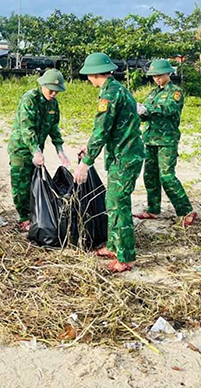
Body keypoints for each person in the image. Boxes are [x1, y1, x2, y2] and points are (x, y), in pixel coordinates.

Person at [73, 53, 144, 273]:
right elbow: (112, 128)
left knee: (118, 204)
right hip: (123, 153)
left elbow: (102, 129)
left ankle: (126, 257)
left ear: (94, 74)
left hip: (125, 157)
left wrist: (86, 162)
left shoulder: (109, 96)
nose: (88, 79)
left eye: (88, 75)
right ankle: (113, 245)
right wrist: (90, 146)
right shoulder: (118, 89)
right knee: (112, 200)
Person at [135, 59, 197, 227]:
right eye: (154, 76)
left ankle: (186, 211)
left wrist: (150, 109)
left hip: (167, 141)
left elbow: (170, 108)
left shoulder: (175, 92)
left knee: (167, 177)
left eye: (159, 75)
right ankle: (153, 209)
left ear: (168, 74)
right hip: (150, 140)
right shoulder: (152, 93)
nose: (157, 79)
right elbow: (145, 115)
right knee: (150, 176)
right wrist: (139, 112)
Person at [8, 69, 71, 232]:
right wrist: (35, 151)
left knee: (35, 182)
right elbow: (26, 128)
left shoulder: (53, 104)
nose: (53, 94)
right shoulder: (30, 99)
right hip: (21, 149)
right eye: (51, 90)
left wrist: (60, 150)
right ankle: (23, 217)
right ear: (42, 85)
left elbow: (54, 128)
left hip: (37, 149)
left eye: (57, 91)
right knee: (21, 183)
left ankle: (34, 214)